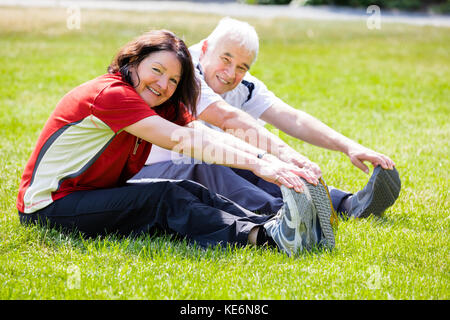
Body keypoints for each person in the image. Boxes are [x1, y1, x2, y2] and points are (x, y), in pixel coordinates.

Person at [16, 29, 335, 256]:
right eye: (156, 70)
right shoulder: (112, 95)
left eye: (174, 80)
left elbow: (204, 134)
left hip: (94, 194)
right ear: (132, 61)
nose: (163, 84)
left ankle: (278, 227)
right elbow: (180, 140)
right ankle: (262, 238)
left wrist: (273, 160)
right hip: (51, 206)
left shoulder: (159, 103)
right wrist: (261, 166)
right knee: (163, 198)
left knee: (188, 190)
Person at [131, 17, 401, 219]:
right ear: (204, 49)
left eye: (241, 67)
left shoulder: (243, 85)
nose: (230, 73)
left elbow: (291, 118)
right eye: (225, 59)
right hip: (147, 172)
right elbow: (227, 118)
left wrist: (348, 146)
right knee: (211, 164)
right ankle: (289, 215)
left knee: (247, 160)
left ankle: (345, 205)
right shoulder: (182, 71)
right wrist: (286, 156)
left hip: (201, 156)